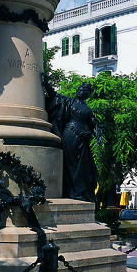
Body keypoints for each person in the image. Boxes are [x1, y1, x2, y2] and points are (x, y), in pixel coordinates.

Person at [41, 74, 99, 202]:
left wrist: (96, 128)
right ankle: (72, 190)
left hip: (82, 140)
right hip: (70, 134)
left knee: (83, 166)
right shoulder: (69, 101)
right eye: (79, 89)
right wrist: (46, 85)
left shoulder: (88, 110)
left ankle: (80, 191)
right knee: (70, 163)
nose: (80, 90)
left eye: (83, 90)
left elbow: (92, 127)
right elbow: (55, 96)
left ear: (87, 94)